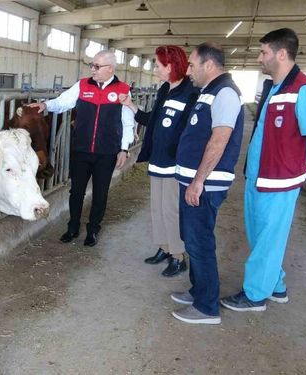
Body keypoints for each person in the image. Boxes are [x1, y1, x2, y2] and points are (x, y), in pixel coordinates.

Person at [220, 28, 306, 312]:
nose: (259, 58)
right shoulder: (273, 87)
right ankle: (276, 285)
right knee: (260, 235)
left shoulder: (304, 89)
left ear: (282, 53)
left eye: (264, 52)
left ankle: (255, 295)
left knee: (268, 237)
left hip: (280, 179)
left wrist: (301, 166)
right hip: (258, 175)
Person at [169, 42, 244, 324]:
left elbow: (220, 138)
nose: (188, 70)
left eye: (192, 64)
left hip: (205, 184)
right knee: (192, 239)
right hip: (193, 180)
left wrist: (199, 180)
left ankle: (206, 307)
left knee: (200, 242)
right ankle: (198, 289)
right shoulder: (208, 92)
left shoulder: (225, 92)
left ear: (209, 65)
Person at [29, 50, 135, 247]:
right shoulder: (83, 85)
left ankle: (93, 229)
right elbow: (63, 102)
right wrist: (45, 105)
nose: (92, 70)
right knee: (76, 192)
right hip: (81, 149)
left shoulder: (122, 90)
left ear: (110, 68)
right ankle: (73, 227)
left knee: (100, 193)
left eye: (97, 66)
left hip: (107, 152)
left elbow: (127, 122)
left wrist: (124, 148)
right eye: (92, 65)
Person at [121, 46, 199, 277]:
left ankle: (178, 256)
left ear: (171, 66)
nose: (156, 70)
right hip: (158, 160)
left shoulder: (191, 93)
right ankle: (164, 248)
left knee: (171, 210)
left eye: (158, 65)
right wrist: (131, 105)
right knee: (157, 208)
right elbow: (153, 121)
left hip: (176, 163)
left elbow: (190, 131)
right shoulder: (165, 89)